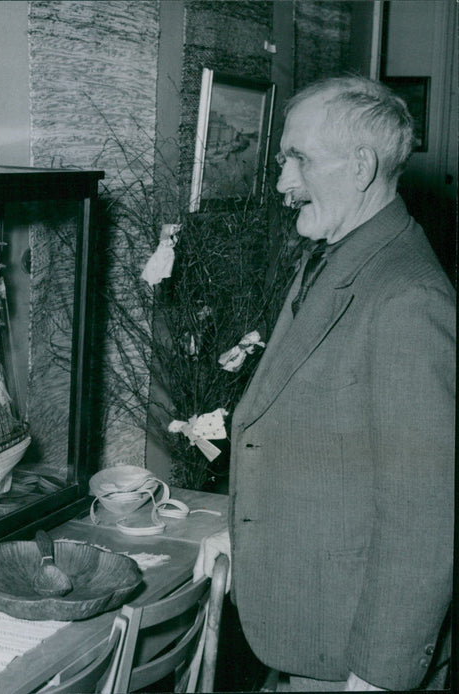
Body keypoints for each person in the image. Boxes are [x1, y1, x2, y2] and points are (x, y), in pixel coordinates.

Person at [193, 75, 454, 691]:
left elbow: (428, 513)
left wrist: (381, 673)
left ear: (361, 165)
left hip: (353, 657)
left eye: (299, 160)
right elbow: (321, 447)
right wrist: (238, 531)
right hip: (310, 626)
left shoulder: (407, 298)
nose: (283, 182)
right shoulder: (343, 255)